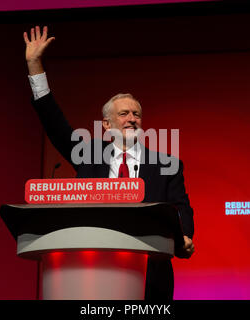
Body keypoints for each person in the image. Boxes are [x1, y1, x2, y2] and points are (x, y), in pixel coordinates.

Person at [23, 26, 195, 300]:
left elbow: (180, 207)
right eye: (124, 113)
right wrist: (34, 66)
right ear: (106, 124)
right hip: (93, 274)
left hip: (150, 278)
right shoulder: (87, 155)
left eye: (136, 114)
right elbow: (54, 124)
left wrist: (184, 236)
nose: (132, 119)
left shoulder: (167, 164)